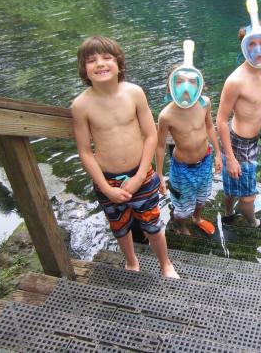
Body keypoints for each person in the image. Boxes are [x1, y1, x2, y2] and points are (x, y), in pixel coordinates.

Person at [71, 36, 178, 278]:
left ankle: (165, 264)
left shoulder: (134, 93)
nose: (100, 63)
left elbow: (151, 136)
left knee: (153, 224)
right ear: (84, 69)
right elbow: (85, 152)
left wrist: (140, 175)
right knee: (119, 226)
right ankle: (131, 261)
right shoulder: (81, 105)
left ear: (119, 63)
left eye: (107, 58)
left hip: (141, 174)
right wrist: (105, 189)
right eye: (92, 60)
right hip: (107, 180)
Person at [217, 0, 261, 228]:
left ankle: (228, 211)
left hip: (254, 140)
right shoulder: (235, 81)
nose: (259, 49)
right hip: (238, 142)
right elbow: (221, 120)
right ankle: (252, 222)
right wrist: (230, 158)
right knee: (249, 196)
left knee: (233, 187)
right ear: (244, 46)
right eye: (252, 44)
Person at [156, 40, 222, 236]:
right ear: (170, 86)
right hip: (182, 168)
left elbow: (210, 127)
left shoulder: (205, 104)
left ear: (200, 85)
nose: (186, 86)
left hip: (205, 161)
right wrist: (159, 174)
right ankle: (181, 225)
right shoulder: (167, 115)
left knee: (202, 196)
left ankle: (197, 217)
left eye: (192, 81)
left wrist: (218, 154)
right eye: (179, 81)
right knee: (182, 205)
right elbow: (160, 146)